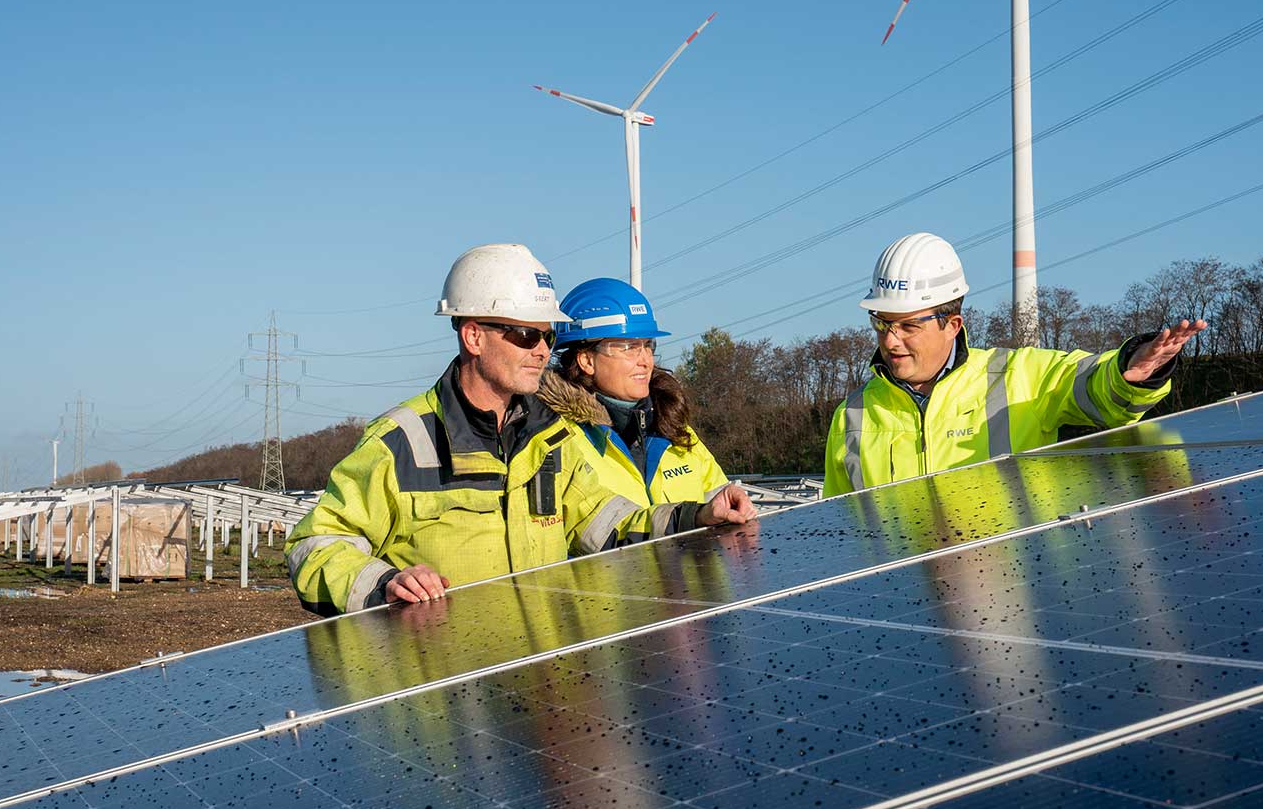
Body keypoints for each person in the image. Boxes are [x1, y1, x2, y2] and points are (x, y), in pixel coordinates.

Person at [286, 244, 755, 616]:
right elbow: (316, 544)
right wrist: (383, 582)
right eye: (527, 335)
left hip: (542, 692)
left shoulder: (549, 437)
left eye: (548, 336)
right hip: (448, 703)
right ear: (473, 336)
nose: (542, 350)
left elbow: (608, 524)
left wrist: (696, 517)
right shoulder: (402, 442)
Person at [824, 232, 1205, 497]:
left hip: (1009, 595)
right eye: (882, 323)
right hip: (898, 603)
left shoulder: (1017, 377)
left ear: (952, 325)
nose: (890, 340)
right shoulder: (852, 415)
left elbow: (1093, 384)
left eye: (908, 326)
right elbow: (837, 530)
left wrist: (1129, 374)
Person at [543, 278, 730, 507]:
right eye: (628, 347)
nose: (645, 361)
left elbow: (723, 504)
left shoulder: (672, 426)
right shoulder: (560, 440)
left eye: (647, 345)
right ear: (586, 360)